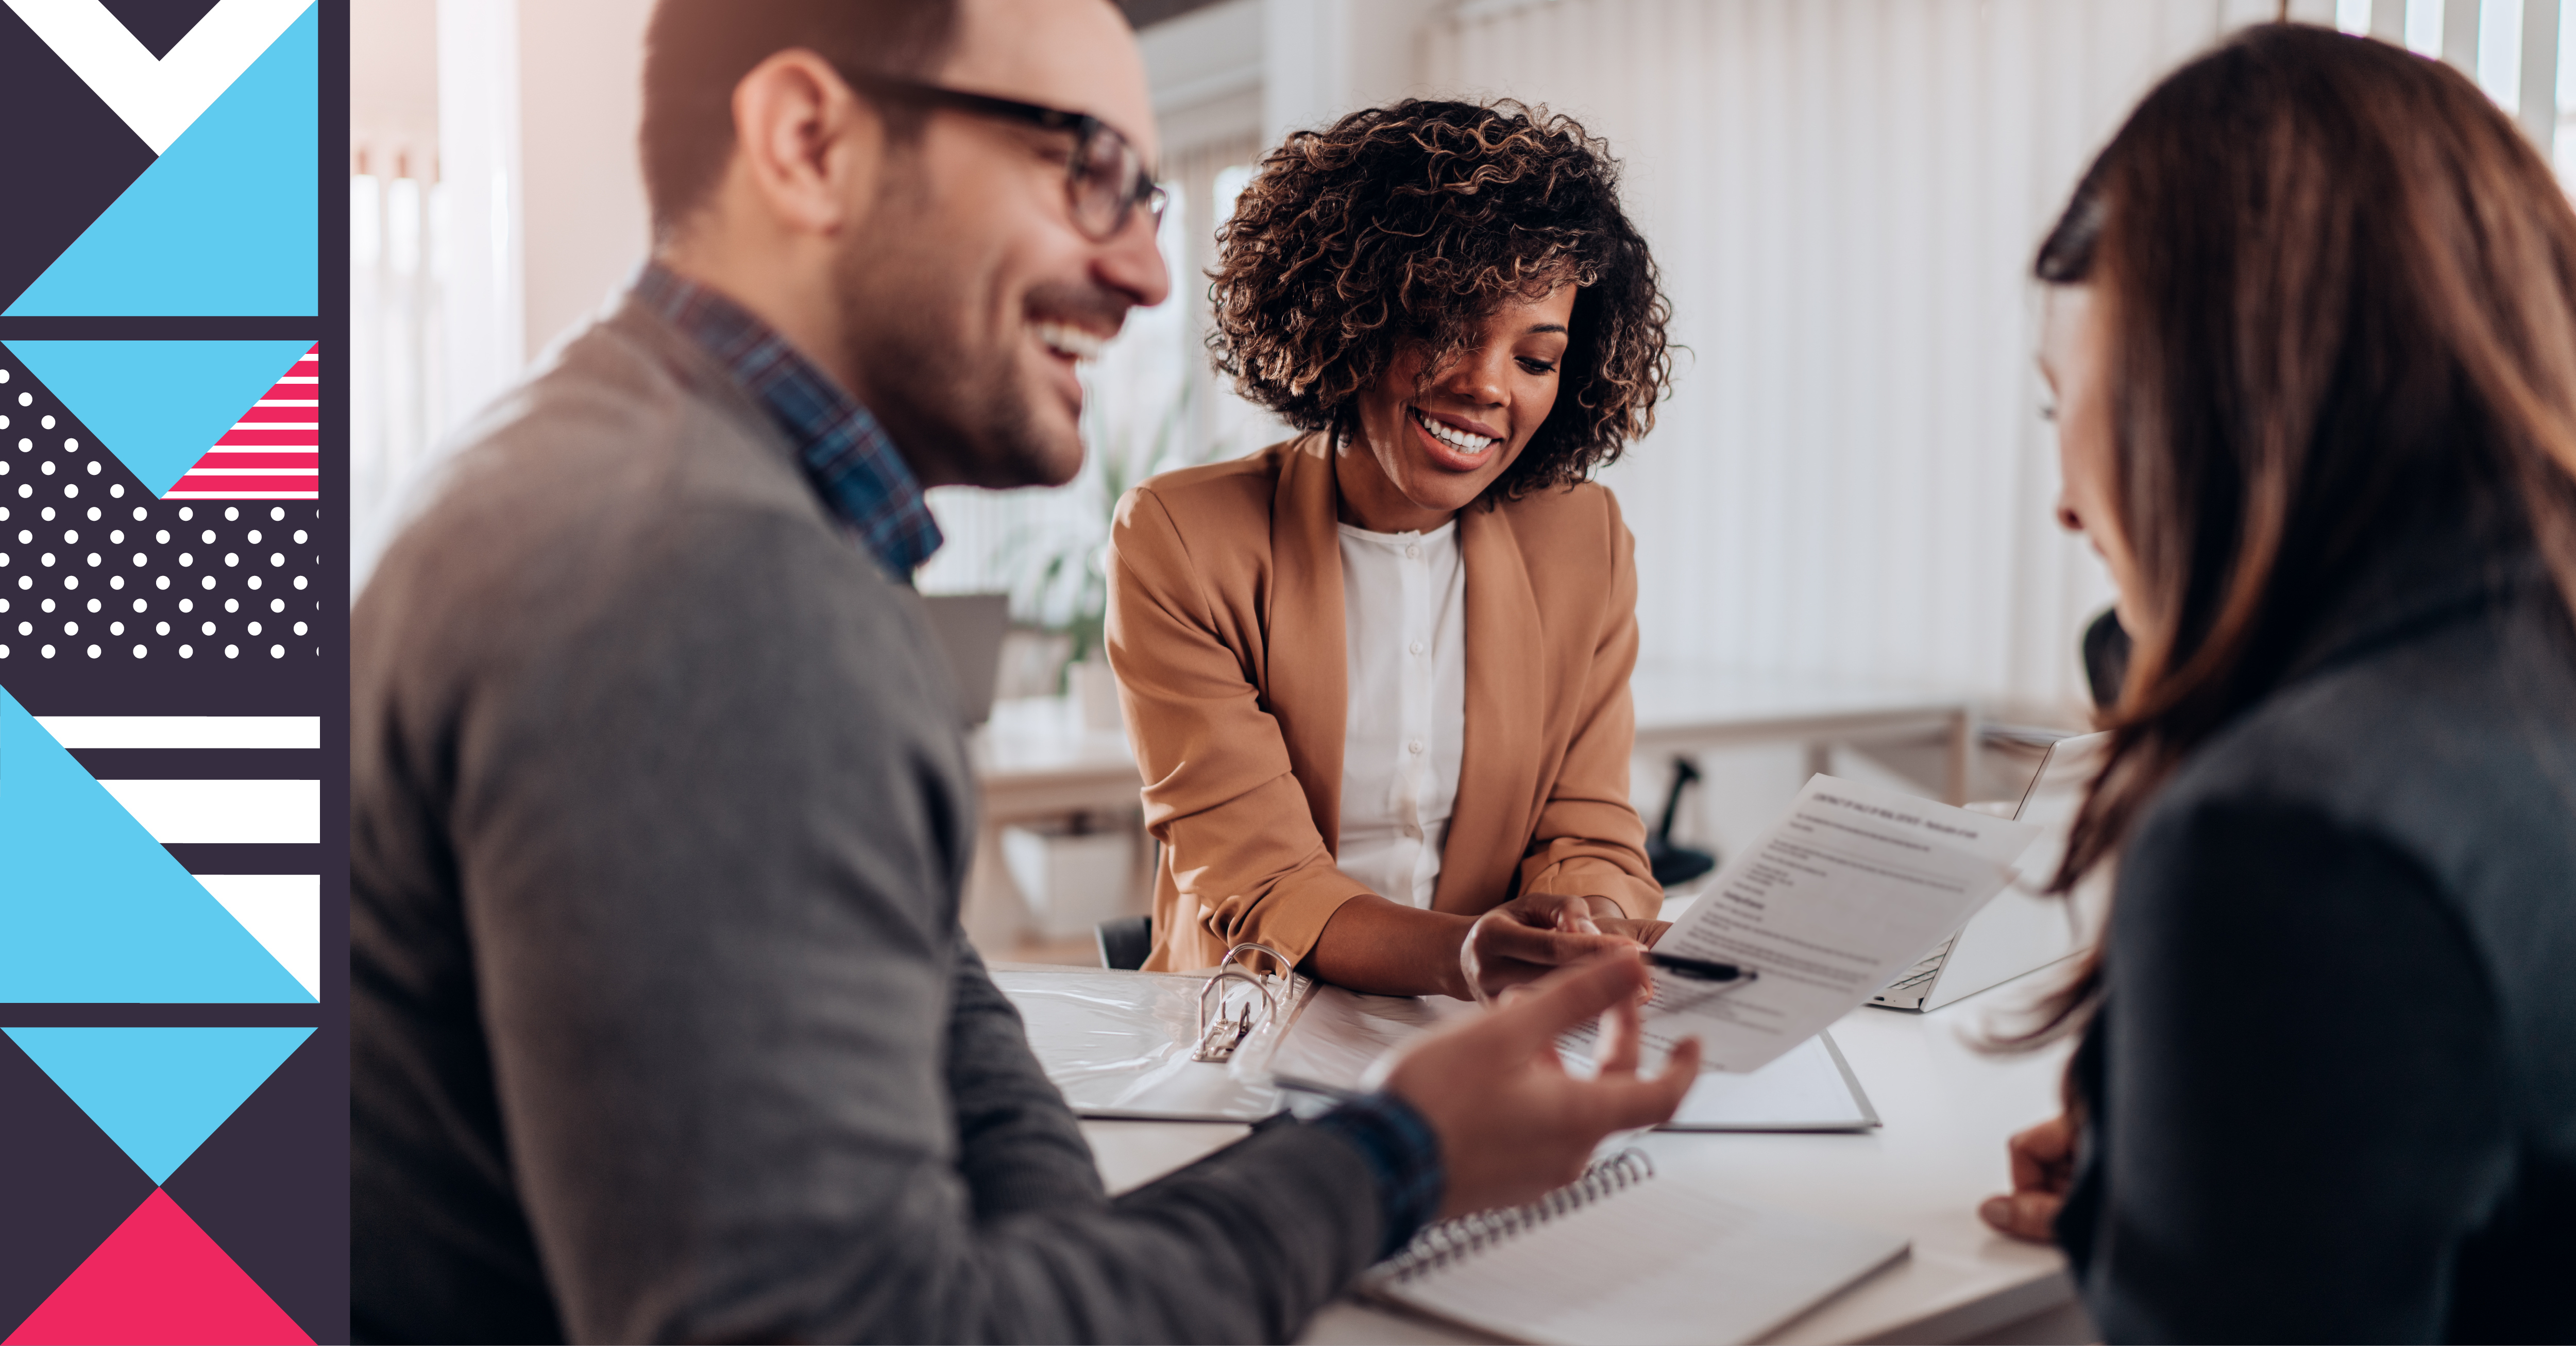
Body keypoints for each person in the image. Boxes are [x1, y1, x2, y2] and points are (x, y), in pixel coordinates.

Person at [347, 1, 1701, 1340]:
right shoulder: (701, 579)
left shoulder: (654, 468)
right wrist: (1400, 1155)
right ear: (811, 141)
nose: (1146, 275)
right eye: (1086, 174)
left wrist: (1072, 1234)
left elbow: (935, 988)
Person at [1977, 25, 2576, 1342]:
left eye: (2056, 407)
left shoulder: (2292, 835)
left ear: (2195, 396)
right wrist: (2210, 1160)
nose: (2071, 508)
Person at [1108, 100, 1677, 996]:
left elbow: (1589, 831)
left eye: (1535, 359)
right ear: (1355, 317)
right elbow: (1262, 882)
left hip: (1479, 1036)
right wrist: (1467, 954)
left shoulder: (1584, 540)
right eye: (1448, 328)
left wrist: (1587, 924)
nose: (1486, 386)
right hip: (1244, 1027)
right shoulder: (1183, 539)